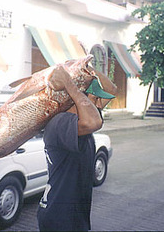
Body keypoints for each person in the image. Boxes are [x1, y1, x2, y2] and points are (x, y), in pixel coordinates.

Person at [37, 65, 117, 231]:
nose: (100, 106)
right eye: (95, 99)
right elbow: (94, 122)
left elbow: (112, 89)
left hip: (75, 217)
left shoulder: (82, 120)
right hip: (58, 217)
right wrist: (69, 84)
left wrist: (89, 68)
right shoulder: (60, 123)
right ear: (79, 99)